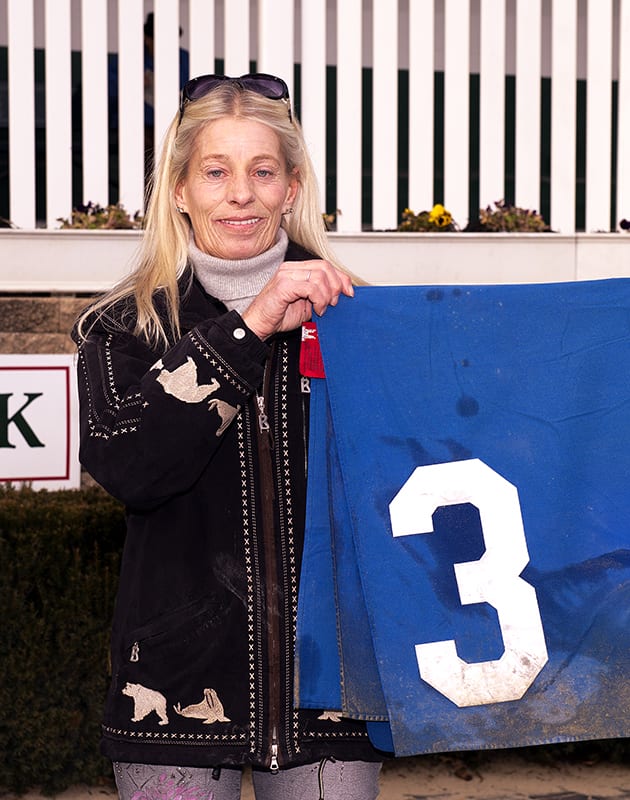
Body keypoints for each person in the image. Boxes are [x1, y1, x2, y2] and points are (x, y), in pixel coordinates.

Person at [73, 73, 382, 800]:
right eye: (216, 171)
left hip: (330, 698)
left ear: (293, 188)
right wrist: (250, 328)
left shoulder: (362, 328)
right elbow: (130, 465)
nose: (240, 193)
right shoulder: (121, 330)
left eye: (262, 171)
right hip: (172, 698)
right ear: (179, 190)